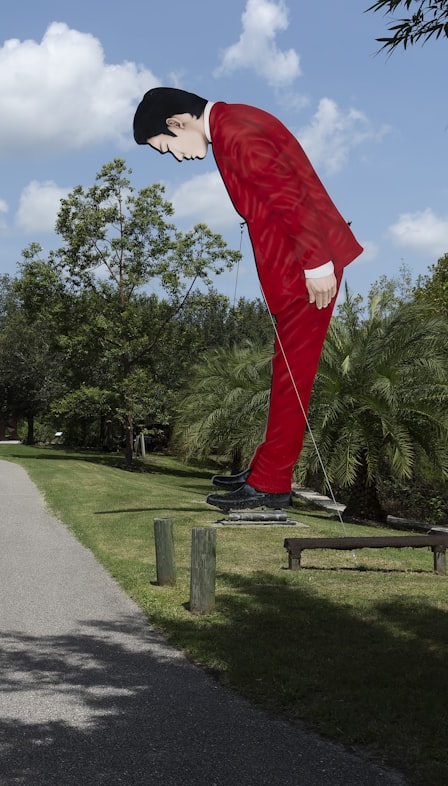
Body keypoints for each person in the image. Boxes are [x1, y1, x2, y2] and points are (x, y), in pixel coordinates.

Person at [133, 88, 363, 510]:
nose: (174, 156)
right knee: (285, 376)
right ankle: (264, 470)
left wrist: (316, 264)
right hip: (296, 265)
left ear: (176, 123)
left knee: (293, 381)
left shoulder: (236, 134)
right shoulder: (234, 122)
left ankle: (271, 485)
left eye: (165, 148)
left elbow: (288, 195)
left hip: (304, 268)